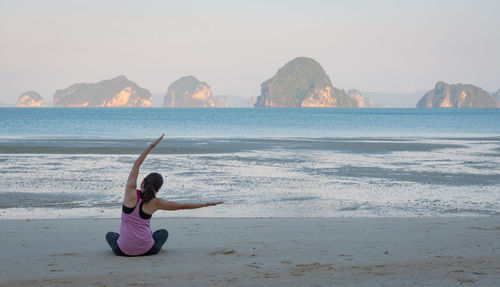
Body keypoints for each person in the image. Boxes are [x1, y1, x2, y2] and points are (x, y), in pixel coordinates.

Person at [106, 134, 223, 256]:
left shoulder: (130, 192)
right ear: (158, 189)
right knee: (163, 233)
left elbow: (136, 165)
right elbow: (182, 206)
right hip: (148, 250)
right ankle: (146, 241)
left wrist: (151, 146)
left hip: (122, 250)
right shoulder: (156, 203)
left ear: (143, 182)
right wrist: (207, 204)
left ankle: (131, 242)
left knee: (110, 235)